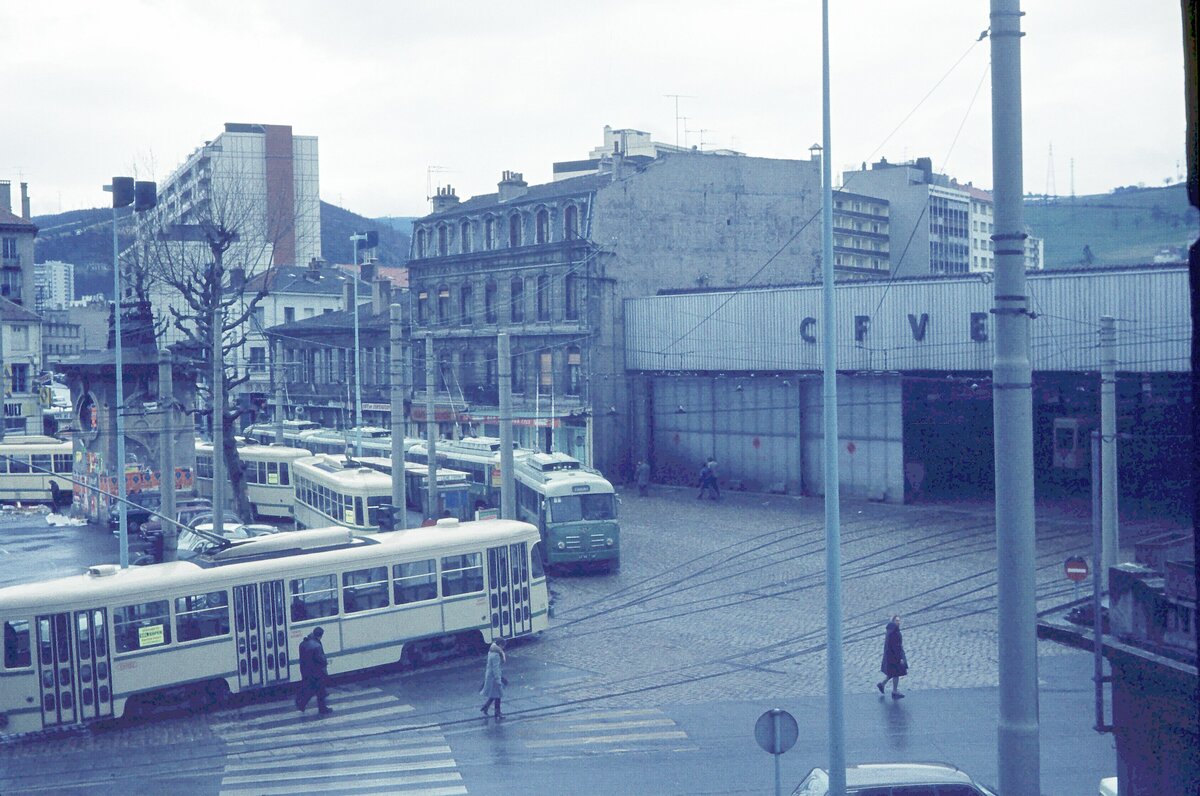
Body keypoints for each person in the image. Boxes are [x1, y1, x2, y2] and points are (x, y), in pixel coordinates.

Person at [296, 626, 332, 715]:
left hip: (305, 670)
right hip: (317, 672)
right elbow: (321, 660)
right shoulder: (316, 646)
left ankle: (302, 703)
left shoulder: (303, 643)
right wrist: (325, 663)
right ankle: (322, 709)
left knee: (312, 689)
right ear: (320, 635)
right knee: (319, 691)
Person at [876, 615, 908, 699]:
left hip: (890, 655)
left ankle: (882, 684)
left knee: (892, 673)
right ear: (893, 621)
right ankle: (894, 691)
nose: (899, 622)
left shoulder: (890, 630)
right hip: (894, 656)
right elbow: (897, 646)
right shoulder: (895, 632)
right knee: (896, 673)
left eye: (899, 620)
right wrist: (900, 658)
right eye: (897, 621)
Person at [479, 637, 507, 719]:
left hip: (491, 676)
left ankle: (486, 707)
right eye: (503, 646)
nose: (503, 648)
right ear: (500, 645)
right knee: (498, 695)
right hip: (494, 678)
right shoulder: (496, 655)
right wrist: (498, 680)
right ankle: (497, 713)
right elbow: (496, 669)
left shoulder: (492, 650)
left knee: (496, 693)